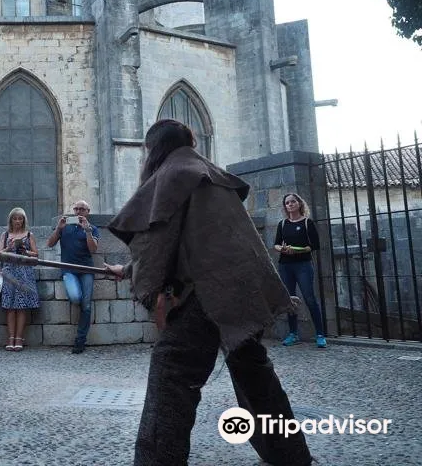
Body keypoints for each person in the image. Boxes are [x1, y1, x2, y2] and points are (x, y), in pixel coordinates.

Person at [105, 119, 313, 466]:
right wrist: (126, 269)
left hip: (208, 294)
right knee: (254, 374)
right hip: (244, 291)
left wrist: (139, 275)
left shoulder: (174, 175)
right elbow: (195, 242)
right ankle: (292, 457)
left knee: (171, 373)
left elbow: (157, 246)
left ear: (153, 149)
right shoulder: (209, 173)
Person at [46, 200, 100, 353]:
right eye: (76, 209)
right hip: (68, 270)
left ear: (87, 211)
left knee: (87, 305)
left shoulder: (93, 229)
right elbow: (50, 244)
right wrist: (58, 228)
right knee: (76, 297)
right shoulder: (65, 228)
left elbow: (93, 250)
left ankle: (80, 340)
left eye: (81, 209)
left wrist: (87, 231)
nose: (78, 212)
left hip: (86, 269)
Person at [274, 193, 326, 348]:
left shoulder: (307, 223)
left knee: (309, 298)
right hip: (285, 265)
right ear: (285, 206)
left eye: (293, 201)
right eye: (287, 203)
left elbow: (314, 245)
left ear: (299, 204)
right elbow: (276, 244)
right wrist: (282, 249)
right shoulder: (282, 224)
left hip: (303, 265)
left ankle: (320, 335)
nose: (290, 204)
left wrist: (300, 250)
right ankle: (293, 334)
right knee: (289, 300)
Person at [0, 207, 40, 351]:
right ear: (11, 220)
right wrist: (8, 249)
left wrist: (26, 251)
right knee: (10, 307)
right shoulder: (5, 234)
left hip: (24, 272)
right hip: (9, 271)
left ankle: (19, 338)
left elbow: (36, 254)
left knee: (21, 307)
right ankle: (10, 338)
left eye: (20, 218)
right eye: (15, 218)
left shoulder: (29, 235)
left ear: (24, 220)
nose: (17, 221)